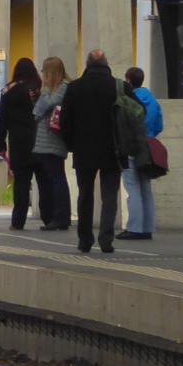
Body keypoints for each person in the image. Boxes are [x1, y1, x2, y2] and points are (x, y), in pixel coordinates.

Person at [59, 49, 138, 254]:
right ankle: (106, 240)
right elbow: (138, 113)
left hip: (83, 149)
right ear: (107, 63)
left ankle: (84, 240)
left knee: (85, 194)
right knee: (110, 195)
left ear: (86, 64)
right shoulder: (120, 86)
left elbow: (65, 119)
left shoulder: (75, 87)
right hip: (114, 147)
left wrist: (70, 144)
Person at [0, 57, 42, 231]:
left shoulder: (8, 91)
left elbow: (2, 120)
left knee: (21, 182)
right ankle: (50, 217)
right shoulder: (38, 89)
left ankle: (18, 221)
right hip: (40, 139)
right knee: (44, 180)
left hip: (19, 142)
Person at [118, 67, 163, 240]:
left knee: (132, 188)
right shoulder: (152, 99)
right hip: (148, 146)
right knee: (146, 188)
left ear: (128, 80)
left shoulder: (128, 100)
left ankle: (134, 227)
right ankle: (147, 227)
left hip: (130, 146)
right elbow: (159, 125)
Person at [31, 56, 72, 231]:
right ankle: (57, 217)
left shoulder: (63, 87)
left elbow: (46, 105)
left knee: (57, 179)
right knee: (53, 179)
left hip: (53, 142)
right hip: (44, 141)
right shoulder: (54, 89)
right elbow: (37, 110)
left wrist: (45, 89)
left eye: (44, 70)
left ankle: (61, 217)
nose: (42, 74)